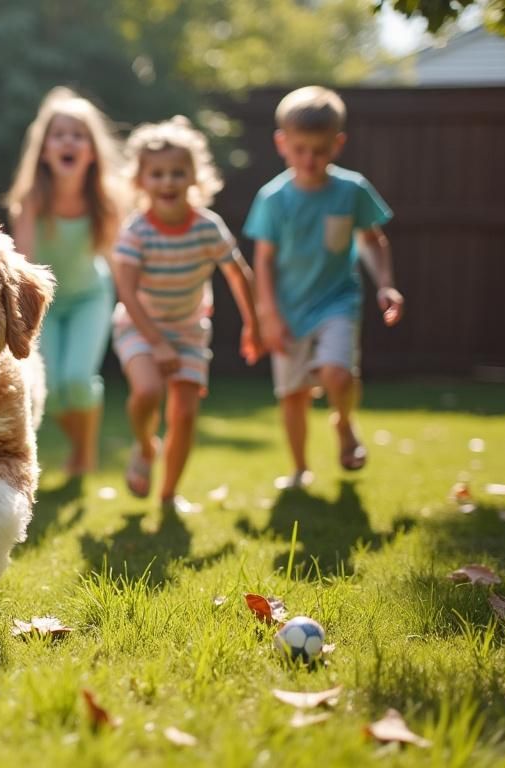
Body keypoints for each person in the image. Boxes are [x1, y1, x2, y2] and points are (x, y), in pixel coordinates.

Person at [244, 86, 404, 489]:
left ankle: (345, 423)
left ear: (338, 143)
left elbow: (372, 241)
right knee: (293, 395)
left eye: (320, 150)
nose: (310, 160)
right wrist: (269, 317)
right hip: (288, 309)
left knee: (336, 372)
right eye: (300, 149)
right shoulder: (274, 199)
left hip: (338, 300)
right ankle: (300, 468)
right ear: (282, 144)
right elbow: (262, 261)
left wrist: (386, 285)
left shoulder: (352, 191)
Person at [112, 117, 262, 511]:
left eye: (178, 173)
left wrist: (253, 324)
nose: (168, 182)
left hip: (190, 330)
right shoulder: (137, 230)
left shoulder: (207, 228)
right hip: (139, 325)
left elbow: (237, 273)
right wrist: (157, 342)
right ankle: (145, 447)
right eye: (157, 174)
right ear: (141, 181)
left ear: (195, 177)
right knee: (146, 391)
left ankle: (168, 494)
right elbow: (126, 290)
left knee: (185, 414)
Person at [5, 87, 127, 478]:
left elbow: (118, 260)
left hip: (91, 297)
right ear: (44, 150)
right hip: (48, 305)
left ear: (91, 151)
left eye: (78, 135)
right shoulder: (31, 201)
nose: (69, 142)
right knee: (53, 392)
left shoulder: (104, 201)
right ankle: (77, 447)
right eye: (59, 135)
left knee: (78, 380)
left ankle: (86, 455)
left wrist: (133, 308)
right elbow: (22, 265)